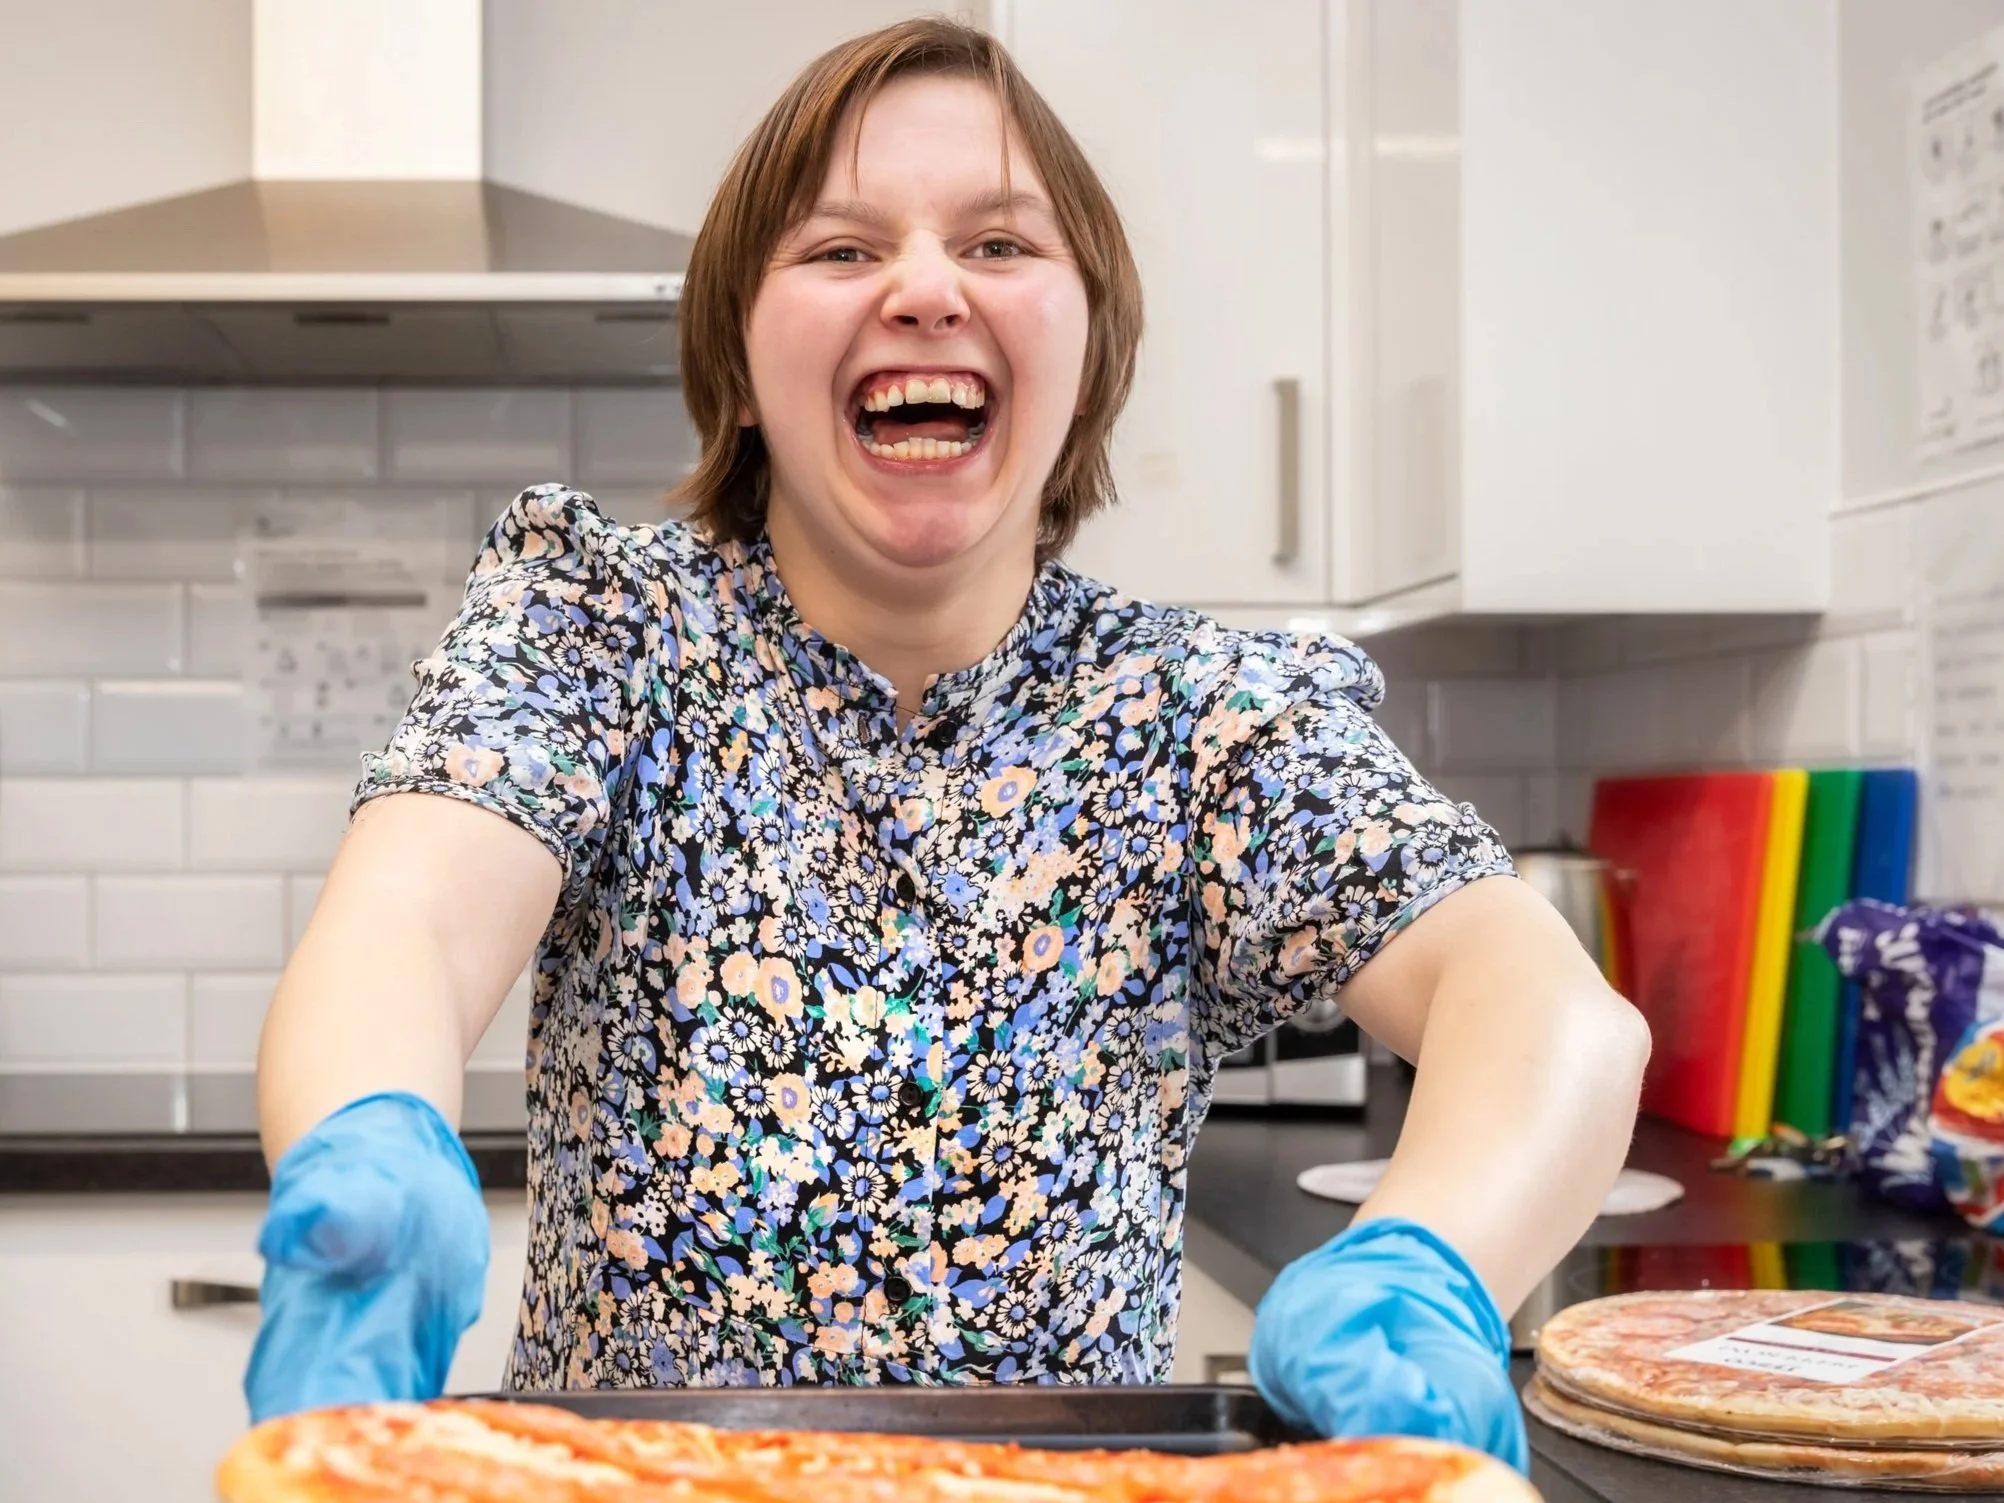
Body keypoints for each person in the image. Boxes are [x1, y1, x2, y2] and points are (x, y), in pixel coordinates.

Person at [247, 17, 1649, 1470]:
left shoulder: (1205, 714)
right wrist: (375, 1151)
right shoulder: (600, 624)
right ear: (737, 361)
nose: (924, 288)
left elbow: (1545, 1010)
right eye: (842, 250)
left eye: (997, 244)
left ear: (1089, 350)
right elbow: (409, 913)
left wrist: (1426, 1263)